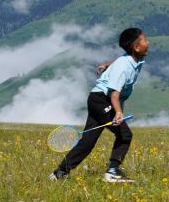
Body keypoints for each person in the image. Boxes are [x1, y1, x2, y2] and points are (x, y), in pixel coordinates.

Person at [49, 28, 149, 182]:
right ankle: (112, 172)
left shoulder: (136, 58)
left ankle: (59, 174)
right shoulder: (124, 67)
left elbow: (121, 59)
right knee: (125, 135)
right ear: (136, 47)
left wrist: (107, 65)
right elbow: (114, 94)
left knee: (88, 142)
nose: (148, 43)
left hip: (99, 99)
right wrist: (118, 113)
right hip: (102, 100)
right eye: (145, 40)